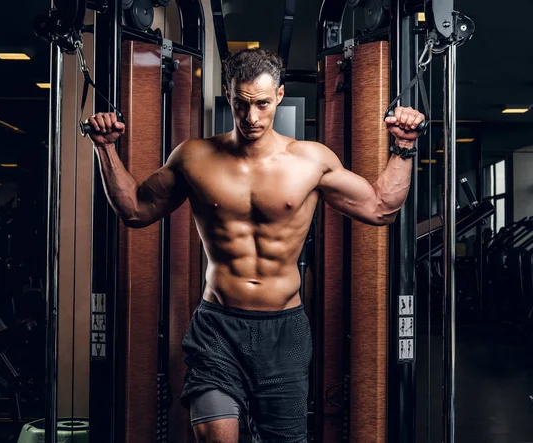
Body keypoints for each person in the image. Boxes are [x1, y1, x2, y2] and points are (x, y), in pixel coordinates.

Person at [86, 48, 424, 443]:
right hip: (218, 327)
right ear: (229, 96)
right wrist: (105, 148)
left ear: (279, 96)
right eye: (242, 104)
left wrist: (403, 146)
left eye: (262, 104)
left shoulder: (310, 161)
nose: (252, 118)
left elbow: (381, 209)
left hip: (285, 331)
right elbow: (136, 211)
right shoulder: (194, 157)